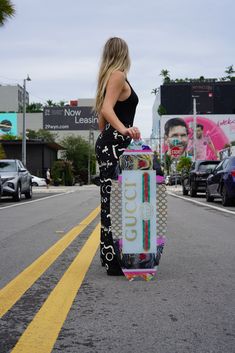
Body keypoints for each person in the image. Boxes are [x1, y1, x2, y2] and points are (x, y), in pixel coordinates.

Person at [94, 37, 140, 276]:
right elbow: (105, 111)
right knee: (115, 204)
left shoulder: (108, 78)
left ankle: (114, 257)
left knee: (113, 203)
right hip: (113, 147)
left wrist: (122, 132)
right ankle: (115, 260)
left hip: (111, 146)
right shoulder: (118, 74)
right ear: (124, 52)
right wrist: (124, 130)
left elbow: (102, 122)